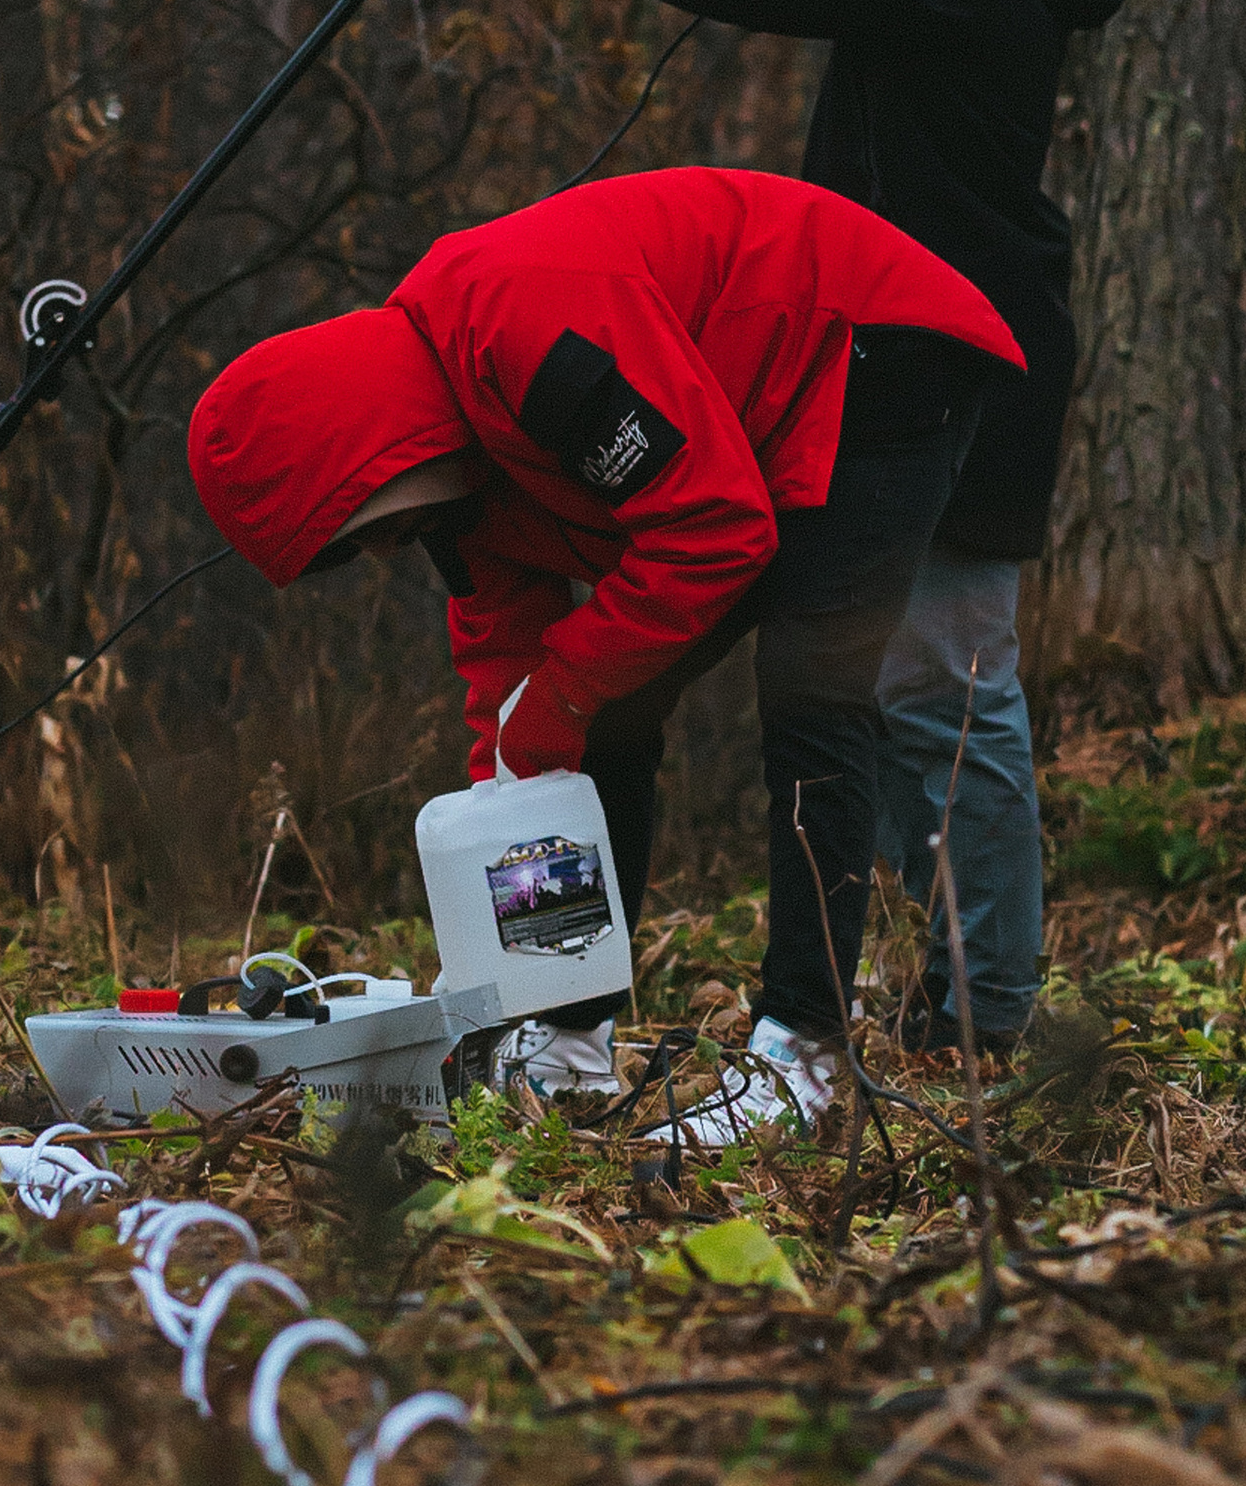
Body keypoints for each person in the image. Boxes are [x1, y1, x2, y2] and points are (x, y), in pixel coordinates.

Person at [472, 0, 1123, 1054]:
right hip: (873, 368)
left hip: (951, 372)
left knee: (945, 683)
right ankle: (903, 995)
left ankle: (979, 1009)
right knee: (877, 688)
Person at [185, 164, 1020, 1142]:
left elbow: (713, 529)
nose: (377, 553)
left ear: (374, 446)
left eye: (364, 528)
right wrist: (506, 852)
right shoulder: (459, 493)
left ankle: (805, 1049)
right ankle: (570, 1038)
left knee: (809, 685)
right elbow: (512, 700)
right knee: (604, 712)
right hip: (747, 425)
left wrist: (563, 694)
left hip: (863, 342)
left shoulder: (525, 339)